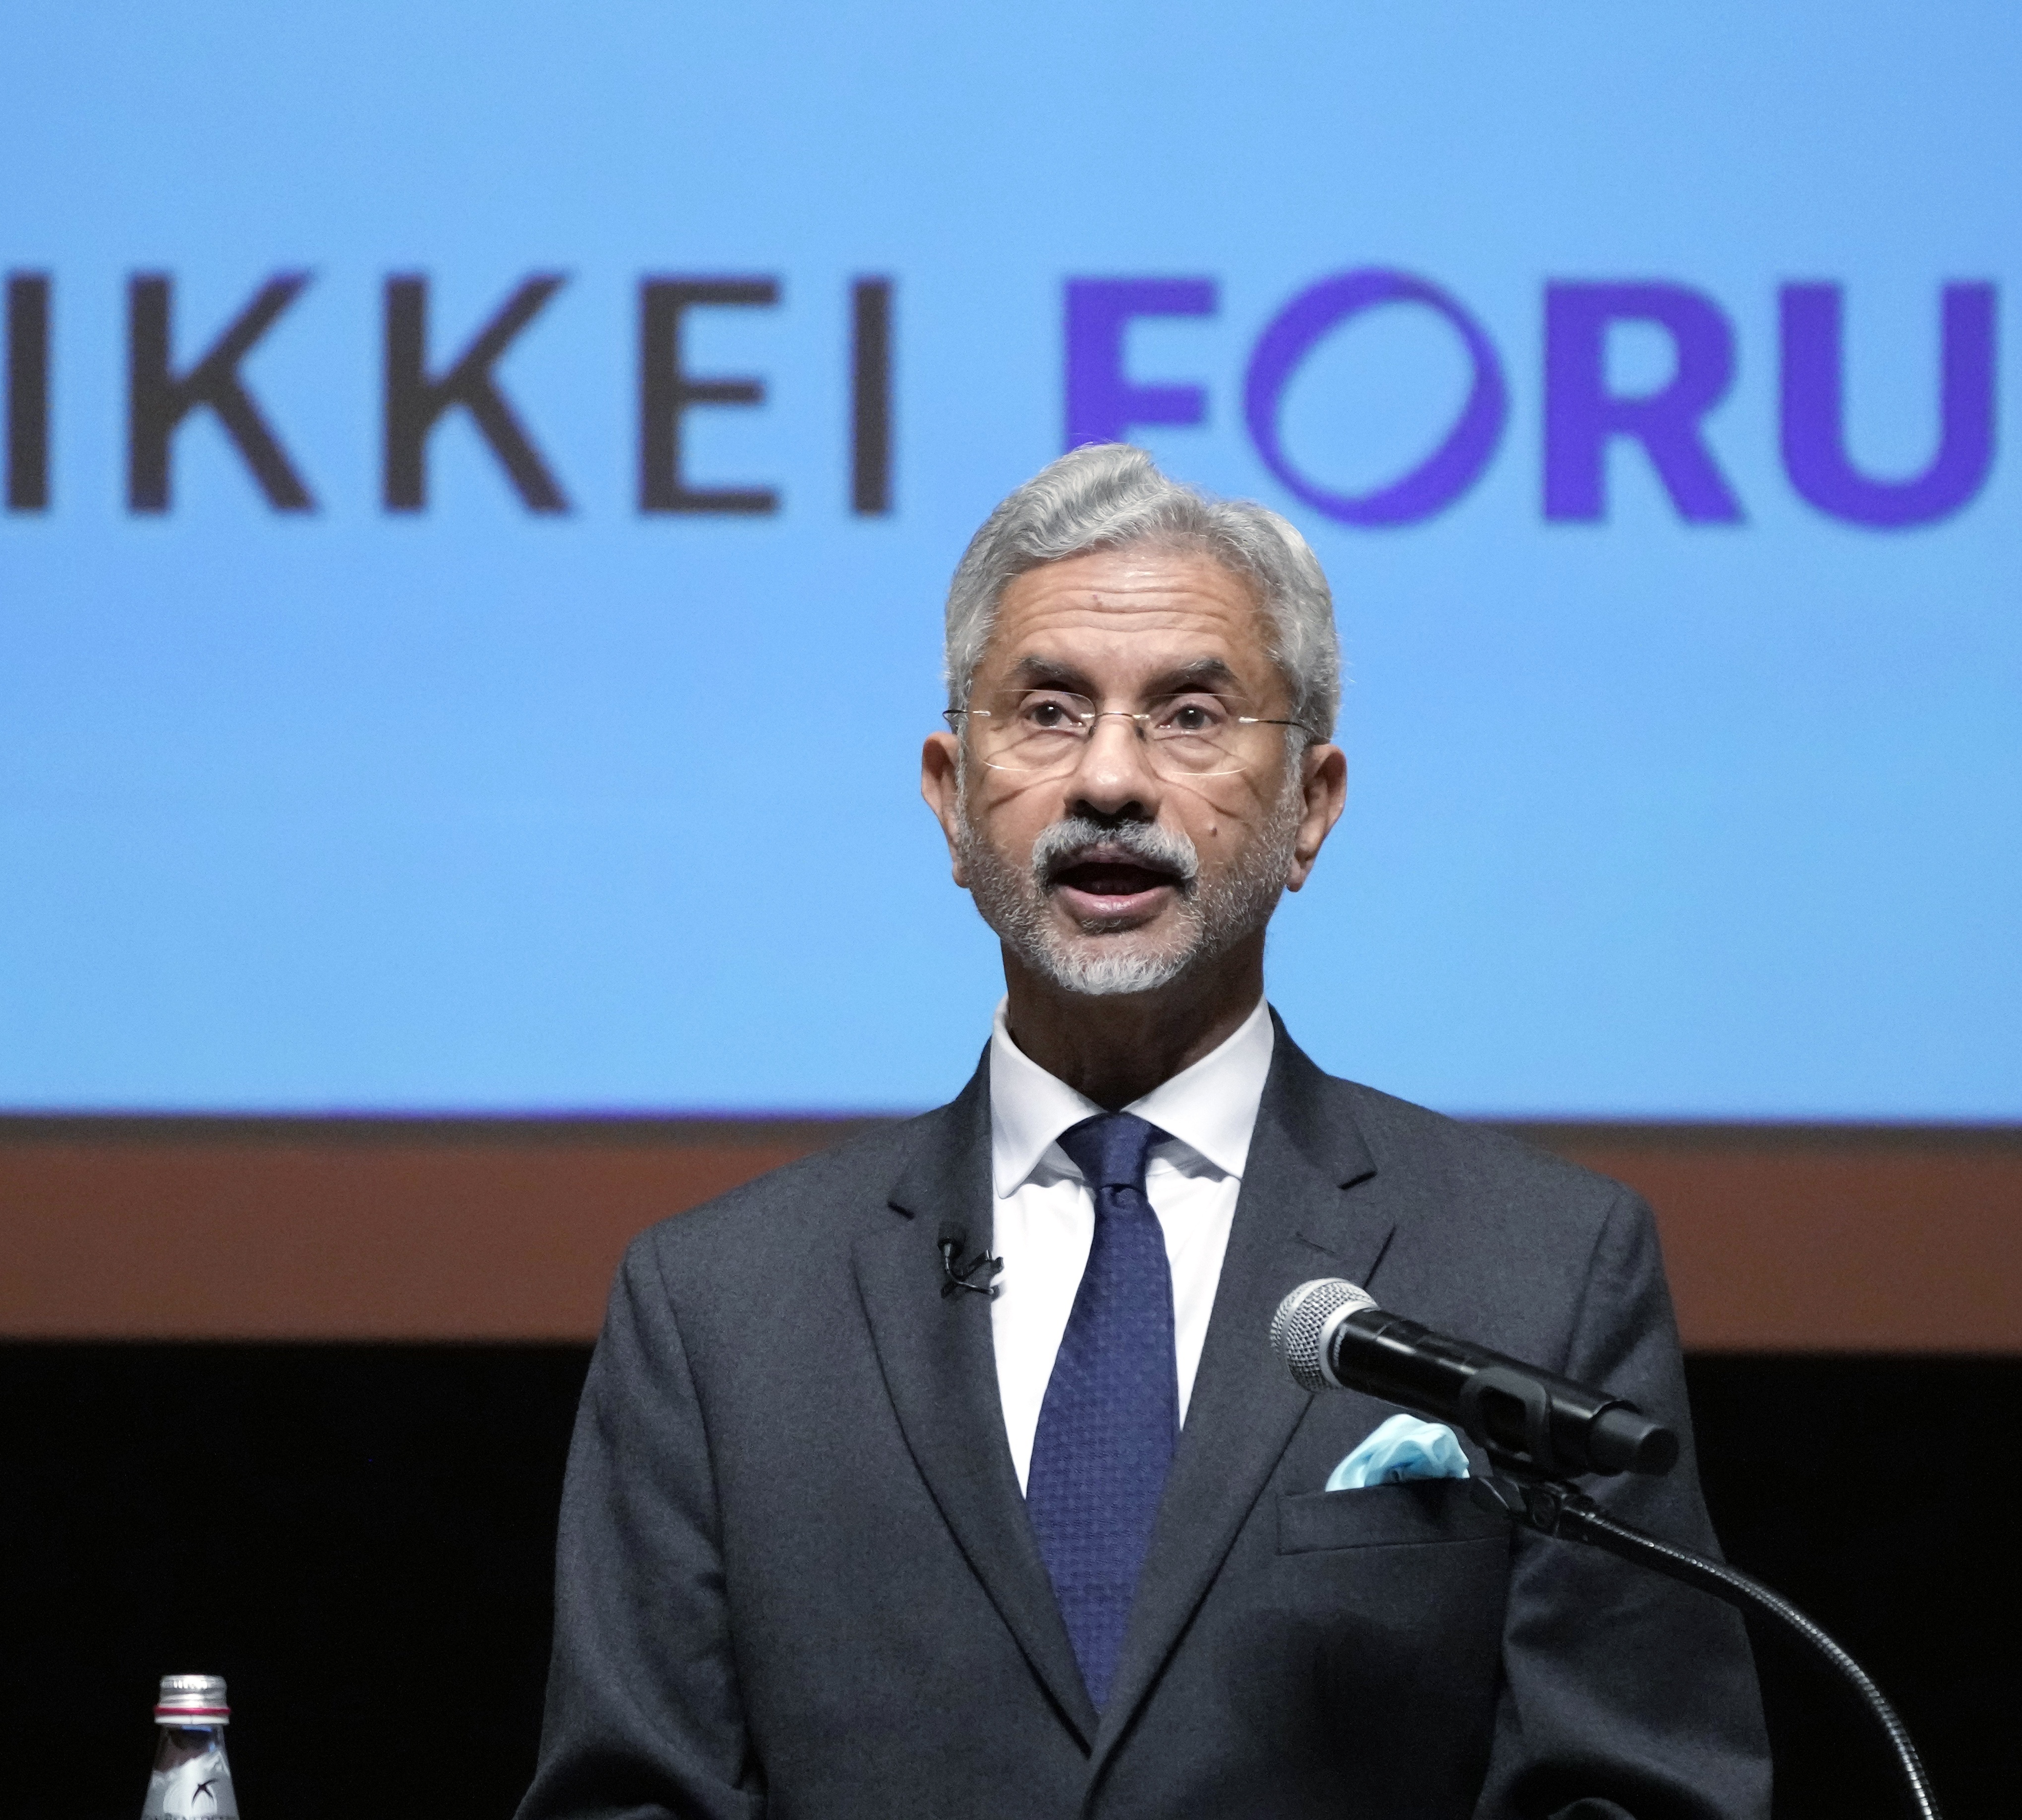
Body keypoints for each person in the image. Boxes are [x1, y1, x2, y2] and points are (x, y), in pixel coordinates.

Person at [518, 444, 1769, 1820]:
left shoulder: (1543, 1269)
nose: (1110, 780)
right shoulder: (716, 1312)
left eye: (1189, 716)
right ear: (948, 793)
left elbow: (1638, 1796)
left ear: (1311, 808)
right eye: (1047, 712)